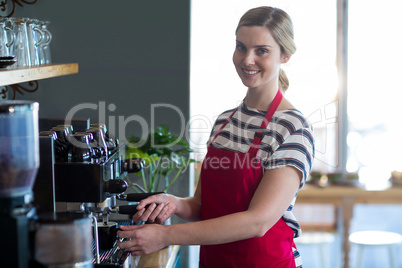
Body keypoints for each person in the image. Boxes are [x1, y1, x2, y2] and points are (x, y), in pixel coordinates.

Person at [117, 6, 314, 268]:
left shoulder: (292, 127)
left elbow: (258, 221)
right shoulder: (225, 121)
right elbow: (202, 205)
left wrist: (166, 235)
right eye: (241, 47)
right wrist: (173, 203)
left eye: (262, 51)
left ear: (285, 55)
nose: (247, 60)